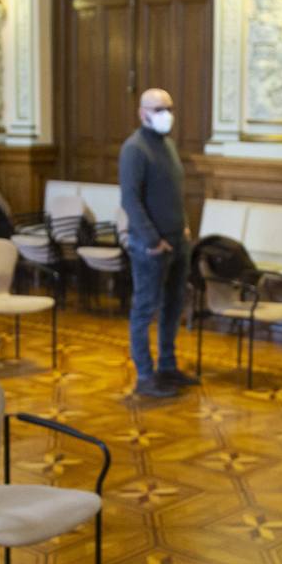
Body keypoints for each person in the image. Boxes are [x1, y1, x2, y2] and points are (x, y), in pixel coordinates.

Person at [120, 87, 197, 398]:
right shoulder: (134, 148)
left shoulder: (167, 144)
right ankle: (145, 376)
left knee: (172, 307)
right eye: (157, 108)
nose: (165, 114)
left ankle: (167, 366)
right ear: (142, 113)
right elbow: (130, 199)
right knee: (145, 310)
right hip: (151, 246)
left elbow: (173, 193)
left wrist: (186, 228)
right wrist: (153, 239)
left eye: (168, 107)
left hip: (179, 242)